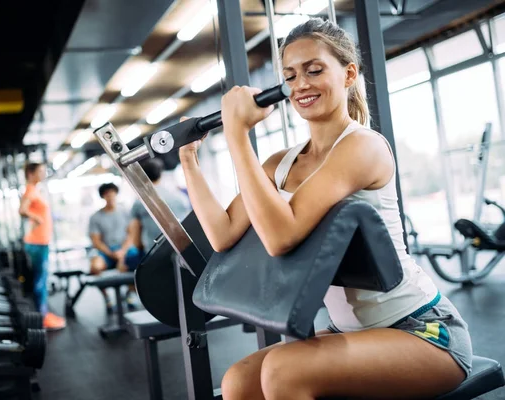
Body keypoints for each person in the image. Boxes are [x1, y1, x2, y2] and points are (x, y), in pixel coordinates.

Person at [178, 18, 472, 400]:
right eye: (290, 76)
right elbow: (222, 234)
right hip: (350, 330)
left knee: (284, 372)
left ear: (348, 74)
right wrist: (188, 159)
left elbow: (281, 236)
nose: (300, 85)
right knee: (239, 382)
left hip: (421, 330)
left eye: (314, 71)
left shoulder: (362, 147)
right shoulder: (279, 163)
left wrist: (237, 134)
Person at [19, 162, 66, 331]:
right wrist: (37, 218)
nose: (43, 173)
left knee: (41, 279)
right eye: (40, 171)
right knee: (40, 281)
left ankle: (43, 314)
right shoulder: (31, 190)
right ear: (31, 174)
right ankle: (42, 317)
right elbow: (22, 210)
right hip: (37, 243)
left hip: (40, 242)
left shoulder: (35, 190)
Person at [88, 182, 142, 311]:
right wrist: (112, 254)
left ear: (116, 194)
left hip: (125, 249)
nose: (110, 196)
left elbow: (131, 234)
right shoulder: (95, 217)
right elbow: (96, 241)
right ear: (103, 196)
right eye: (107, 194)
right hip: (107, 251)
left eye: (112, 193)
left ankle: (129, 295)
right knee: (95, 267)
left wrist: (122, 252)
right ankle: (107, 299)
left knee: (138, 264)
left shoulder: (125, 212)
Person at [127, 158, 191, 255]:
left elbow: (136, 239)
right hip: (184, 249)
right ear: (161, 174)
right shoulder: (180, 196)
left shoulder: (140, 202)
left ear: (142, 176)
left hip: (154, 252)